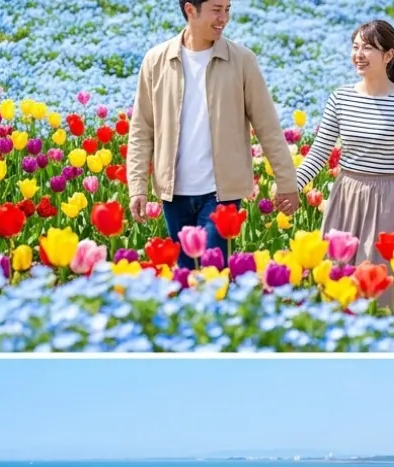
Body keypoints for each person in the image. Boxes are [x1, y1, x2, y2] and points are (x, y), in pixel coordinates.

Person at [127, 0, 298, 269]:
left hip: (221, 194)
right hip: (174, 194)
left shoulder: (242, 60)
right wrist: (137, 187)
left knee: (211, 275)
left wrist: (287, 182)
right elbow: (141, 130)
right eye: (217, 9)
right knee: (184, 276)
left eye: (228, 9)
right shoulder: (156, 61)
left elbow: (269, 127)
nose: (224, 18)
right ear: (190, 10)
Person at [296, 20, 394, 268]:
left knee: (382, 276)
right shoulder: (341, 98)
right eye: (355, 47)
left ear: (389, 55)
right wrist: (290, 186)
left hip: (389, 199)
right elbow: (318, 154)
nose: (359, 55)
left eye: (368, 48)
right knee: (338, 275)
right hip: (346, 195)